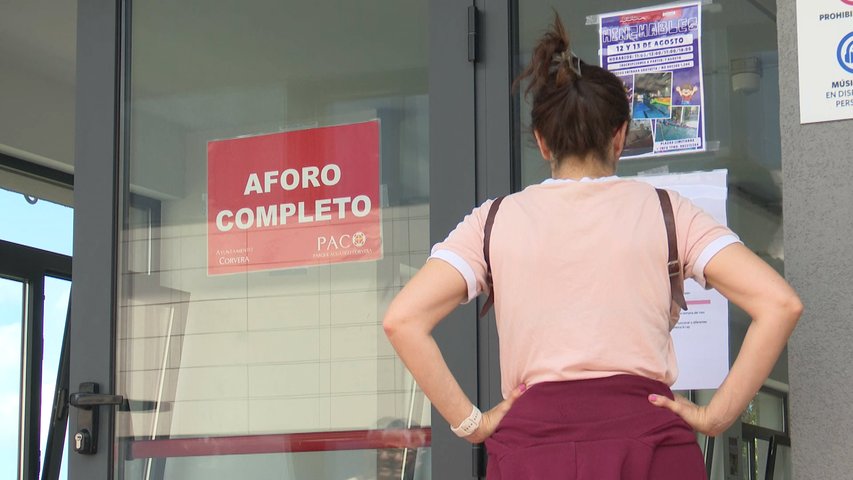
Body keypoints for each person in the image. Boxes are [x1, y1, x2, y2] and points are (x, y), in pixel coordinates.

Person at [382, 14, 801, 480]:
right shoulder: (668, 212)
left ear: (542, 142)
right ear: (620, 135)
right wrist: (716, 416)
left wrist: (472, 423)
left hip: (531, 449)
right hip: (650, 443)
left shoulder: (492, 221)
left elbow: (403, 320)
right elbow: (778, 303)